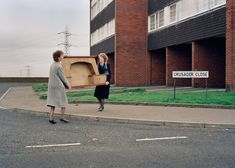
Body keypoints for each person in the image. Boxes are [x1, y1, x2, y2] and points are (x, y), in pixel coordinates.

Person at [47, 50, 71, 124]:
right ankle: (62, 117)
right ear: (58, 57)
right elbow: (62, 77)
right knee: (63, 101)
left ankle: (51, 118)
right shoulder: (59, 66)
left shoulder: (52, 65)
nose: (63, 56)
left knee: (52, 102)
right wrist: (68, 85)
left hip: (51, 86)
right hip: (58, 86)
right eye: (62, 55)